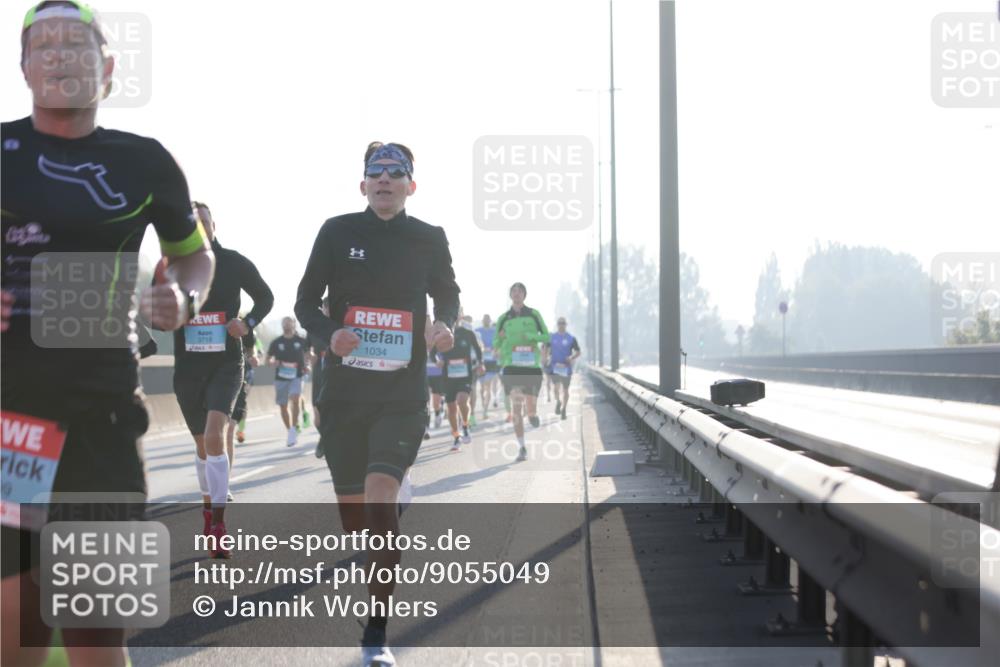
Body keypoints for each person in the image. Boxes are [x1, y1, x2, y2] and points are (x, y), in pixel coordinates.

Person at [1, 2, 214, 664]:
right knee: (19, 619)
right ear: (25, 66)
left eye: (78, 44)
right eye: (45, 45)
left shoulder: (143, 161)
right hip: (12, 420)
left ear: (111, 70)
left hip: (105, 414)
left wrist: (184, 293)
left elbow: (194, 253)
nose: (61, 54)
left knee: (97, 623)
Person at [295, 141, 459, 666]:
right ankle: (378, 525)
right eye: (375, 172)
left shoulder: (428, 238)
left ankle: (377, 631)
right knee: (357, 520)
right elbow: (302, 302)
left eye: (395, 173)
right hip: (343, 394)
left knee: (381, 501)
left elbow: (449, 294)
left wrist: (444, 325)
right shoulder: (336, 231)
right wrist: (329, 334)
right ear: (362, 184)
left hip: (401, 394)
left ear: (411, 185)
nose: (384, 179)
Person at [171, 202, 272, 555]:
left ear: (214, 225)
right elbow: (153, 314)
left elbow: (266, 297)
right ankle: (207, 514)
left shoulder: (233, 261)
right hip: (188, 369)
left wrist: (248, 323)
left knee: (216, 434)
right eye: (191, 225)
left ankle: (218, 523)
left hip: (227, 363)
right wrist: (170, 314)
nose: (199, 230)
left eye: (204, 223)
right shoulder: (172, 266)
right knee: (202, 447)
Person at [495, 282, 550, 461]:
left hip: (531, 367)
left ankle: (533, 414)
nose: (516, 294)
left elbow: (547, 336)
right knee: (516, 406)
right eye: (514, 291)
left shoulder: (534, 314)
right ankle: (522, 446)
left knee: (530, 407)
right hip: (511, 367)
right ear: (510, 295)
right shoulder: (504, 318)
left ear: (524, 295)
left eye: (519, 291)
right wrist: (500, 341)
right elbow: (495, 343)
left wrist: (533, 337)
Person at [438, 309, 483, 451]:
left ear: (461, 316)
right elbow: (433, 352)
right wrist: (437, 360)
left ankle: (465, 425)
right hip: (448, 376)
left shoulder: (467, 333)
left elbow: (478, 349)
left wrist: (481, 363)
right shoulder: (443, 333)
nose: (455, 316)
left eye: (458, 313)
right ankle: (456, 436)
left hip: (465, 374)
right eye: (453, 313)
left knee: (462, 400)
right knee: (451, 408)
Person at [266, 317, 308, 446]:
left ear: (294, 324)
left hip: (297, 375)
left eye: (289, 322)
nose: (286, 324)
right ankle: (290, 430)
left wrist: (307, 364)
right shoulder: (276, 342)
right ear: (282, 325)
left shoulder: (301, 340)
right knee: (283, 405)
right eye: (284, 322)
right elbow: (267, 361)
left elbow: (308, 355)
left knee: (295, 398)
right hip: (281, 377)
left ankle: (294, 428)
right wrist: (274, 362)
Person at [546, 317, 581, 420]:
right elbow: (546, 348)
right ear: (557, 325)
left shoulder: (571, 338)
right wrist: (546, 357)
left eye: (563, 323)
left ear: (566, 325)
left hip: (566, 367)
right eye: (560, 323)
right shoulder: (552, 337)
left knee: (565, 390)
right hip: (555, 367)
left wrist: (571, 357)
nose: (561, 325)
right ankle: (558, 402)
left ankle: (564, 409)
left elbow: (578, 352)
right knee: (556, 389)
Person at [309, 297, 331, 458]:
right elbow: (306, 348)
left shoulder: (345, 325)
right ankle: (325, 437)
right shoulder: (315, 328)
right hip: (318, 375)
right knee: (317, 420)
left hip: (338, 376)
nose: (326, 310)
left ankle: (328, 440)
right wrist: (308, 355)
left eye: (329, 307)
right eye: (324, 307)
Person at [476, 314, 500, 418]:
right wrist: (482, 349)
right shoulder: (477, 331)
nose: (486, 321)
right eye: (485, 319)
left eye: (488, 319)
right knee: (482, 388)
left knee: (488, 386)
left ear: (490, 321)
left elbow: (499, 344)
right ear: (482, 320)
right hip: (480, 361)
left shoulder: (494, 331)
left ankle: (485, 410)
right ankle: (483, 404)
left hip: (492, 361)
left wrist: (496, 350)